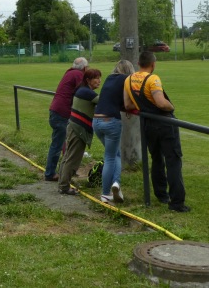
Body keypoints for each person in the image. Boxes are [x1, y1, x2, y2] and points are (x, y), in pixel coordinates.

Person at [124, 51, 190, 213]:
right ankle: (176, 203)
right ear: (153, 64)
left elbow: (128, 105)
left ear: (139, 63)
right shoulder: (153, 79)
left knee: (156, 159)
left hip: (148, 125)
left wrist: (142, 106)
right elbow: (161, 103)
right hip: (165, 124)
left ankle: (161, 195)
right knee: (173, 160)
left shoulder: (129, 79)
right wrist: (171, 106)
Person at [93, 60, 135, 204]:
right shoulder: (127, 79)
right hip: (111, 122)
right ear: (129, 70)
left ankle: (116, 186)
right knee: (111, 157)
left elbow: (110, 99)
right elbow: (127, 101)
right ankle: (107, 191)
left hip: (96, 121)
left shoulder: (110, 78)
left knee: (114, 154)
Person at [44, 57, 89, 182]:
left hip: (56, 111)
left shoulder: (70, 72)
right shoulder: (78, 75)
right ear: (85, 68)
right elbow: (83, 92)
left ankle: (64, 171)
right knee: (58, 144)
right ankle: (51, 173)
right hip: (61, 113)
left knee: (62, 143)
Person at [58, 68, 101, 195]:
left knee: (67, 157)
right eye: (96, 78)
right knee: (73, 159)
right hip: (78, 129)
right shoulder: (87, 93)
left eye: (99, 78)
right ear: (88, 80)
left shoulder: (82, 90)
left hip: (73, 127)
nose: (99, 81)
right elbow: (104, 102)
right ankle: (64, 187)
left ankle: (62, 183)